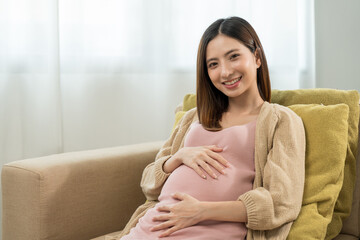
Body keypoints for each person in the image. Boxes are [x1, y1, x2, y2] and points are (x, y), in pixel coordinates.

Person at [117, 16, 306, 239]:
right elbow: (149, 183)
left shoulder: (281, 120)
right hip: (151, 228)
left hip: (211, 230)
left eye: (233, 57)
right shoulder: (192, 117)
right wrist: (178, 157)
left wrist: (200, 211)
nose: (225, 72)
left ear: (256, 57)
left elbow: (281, 203)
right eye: (213, 64)